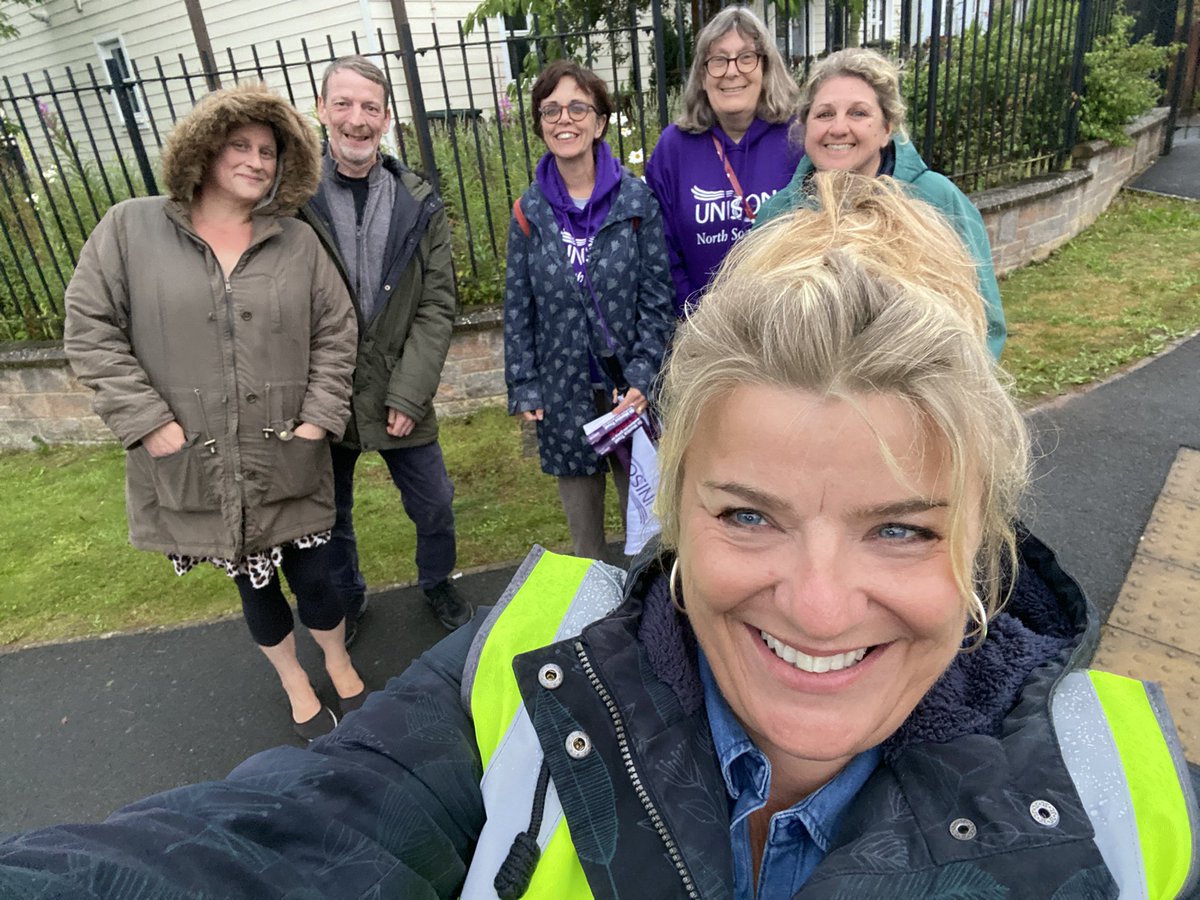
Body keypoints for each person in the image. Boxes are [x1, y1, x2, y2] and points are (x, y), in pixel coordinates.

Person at [8, 174, 1198, 898]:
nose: (821, 606)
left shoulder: (1127, 804)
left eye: (898, 528)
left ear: (986, 538)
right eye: (747, 514)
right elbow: (259, 850)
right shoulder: (533, 659)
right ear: (673, 515)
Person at [62, 82, 365, 742]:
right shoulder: (130, 228)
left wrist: (319, 415)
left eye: (269, 151)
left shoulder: (295, 242)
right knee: (254, 588)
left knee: (317, 577)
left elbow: (337, 330)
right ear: (204, 146)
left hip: (289, 449)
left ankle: (338, 658)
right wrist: (144, 419)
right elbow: (89, 326)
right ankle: (292, 680)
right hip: (195, 460)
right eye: (241, 145)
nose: (257, 161)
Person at [300, 55, 471, 634]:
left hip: (402, 382)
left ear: (387, 118)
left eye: (370, 107)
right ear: (321, 110)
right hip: (321, 393)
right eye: (343, 104)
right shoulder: (289, 203)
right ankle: (348, 596)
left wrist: (409, 392)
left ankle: (437, 582)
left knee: (435, 505)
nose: (356, 119)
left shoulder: (418, 202)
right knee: (330, 515)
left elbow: (437, 304)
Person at [504, 59, 675, 562]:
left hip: (628, 391)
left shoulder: (637, 201)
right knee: (585, 541)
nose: (564, 119)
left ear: (599, 122)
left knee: (646, 528)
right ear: (539, 123)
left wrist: (645, 378)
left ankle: (647, 624)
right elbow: (518, 303)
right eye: (551, 109)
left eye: (578, 107)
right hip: (563, 391)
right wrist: (524, 383)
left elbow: (657, 300)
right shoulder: (527, 211)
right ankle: (594, 632)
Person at [757, 47, 1007, 360]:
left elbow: (983, 324)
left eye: (858, 113)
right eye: (824, 114)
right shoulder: (776, 215)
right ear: (806, 125)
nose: (838, 127)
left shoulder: (937, 199)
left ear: (887, 129)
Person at [645, 6, 801, 316]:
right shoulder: (673, 148)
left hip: (787, 331)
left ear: (765, 69)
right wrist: (695, 316)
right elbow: (660, 249)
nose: (732, 71)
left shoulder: (798, 139)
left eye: (746, 57)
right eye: (717, 60)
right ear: (702, 77)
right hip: (701, 331)